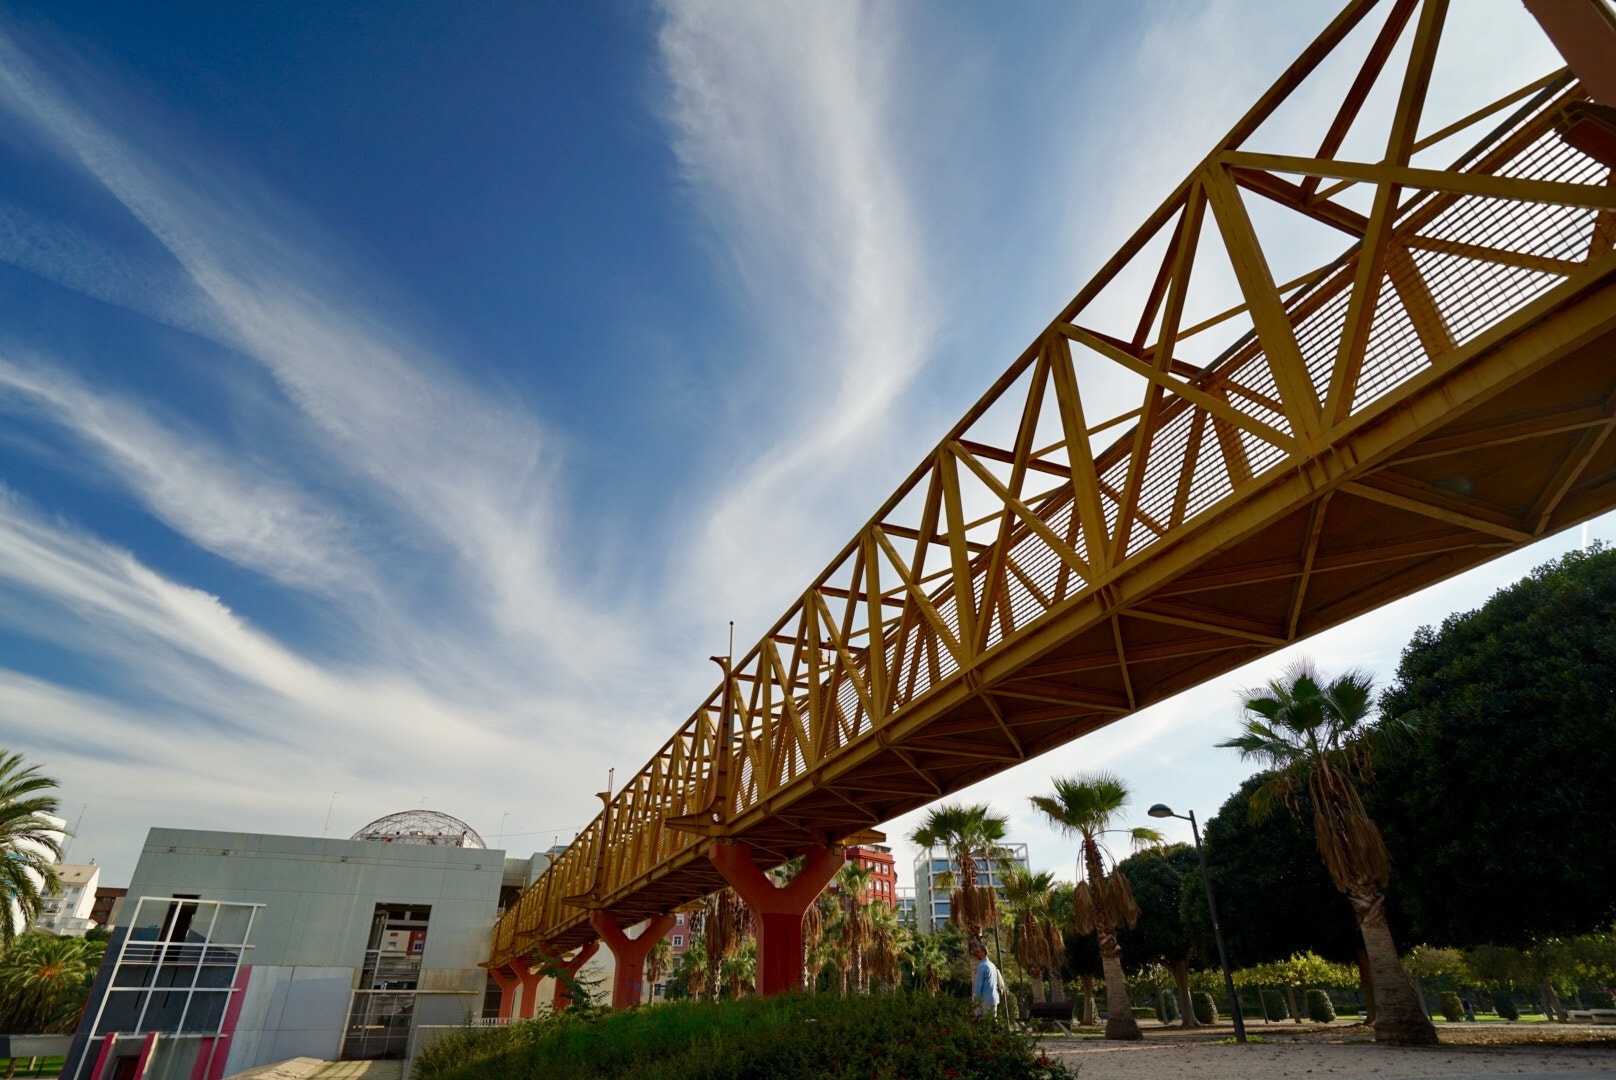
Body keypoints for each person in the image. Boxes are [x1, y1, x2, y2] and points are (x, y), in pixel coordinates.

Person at [970, 941, 1003, 1019]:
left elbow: (978, 985)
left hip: (985, 1000)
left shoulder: (982, 966)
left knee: (983, 1023)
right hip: (994, 998)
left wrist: (974, 999)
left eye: (978, 952)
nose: (977, 954)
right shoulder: (992, 965)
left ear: (983, 952)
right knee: (993, 1022)